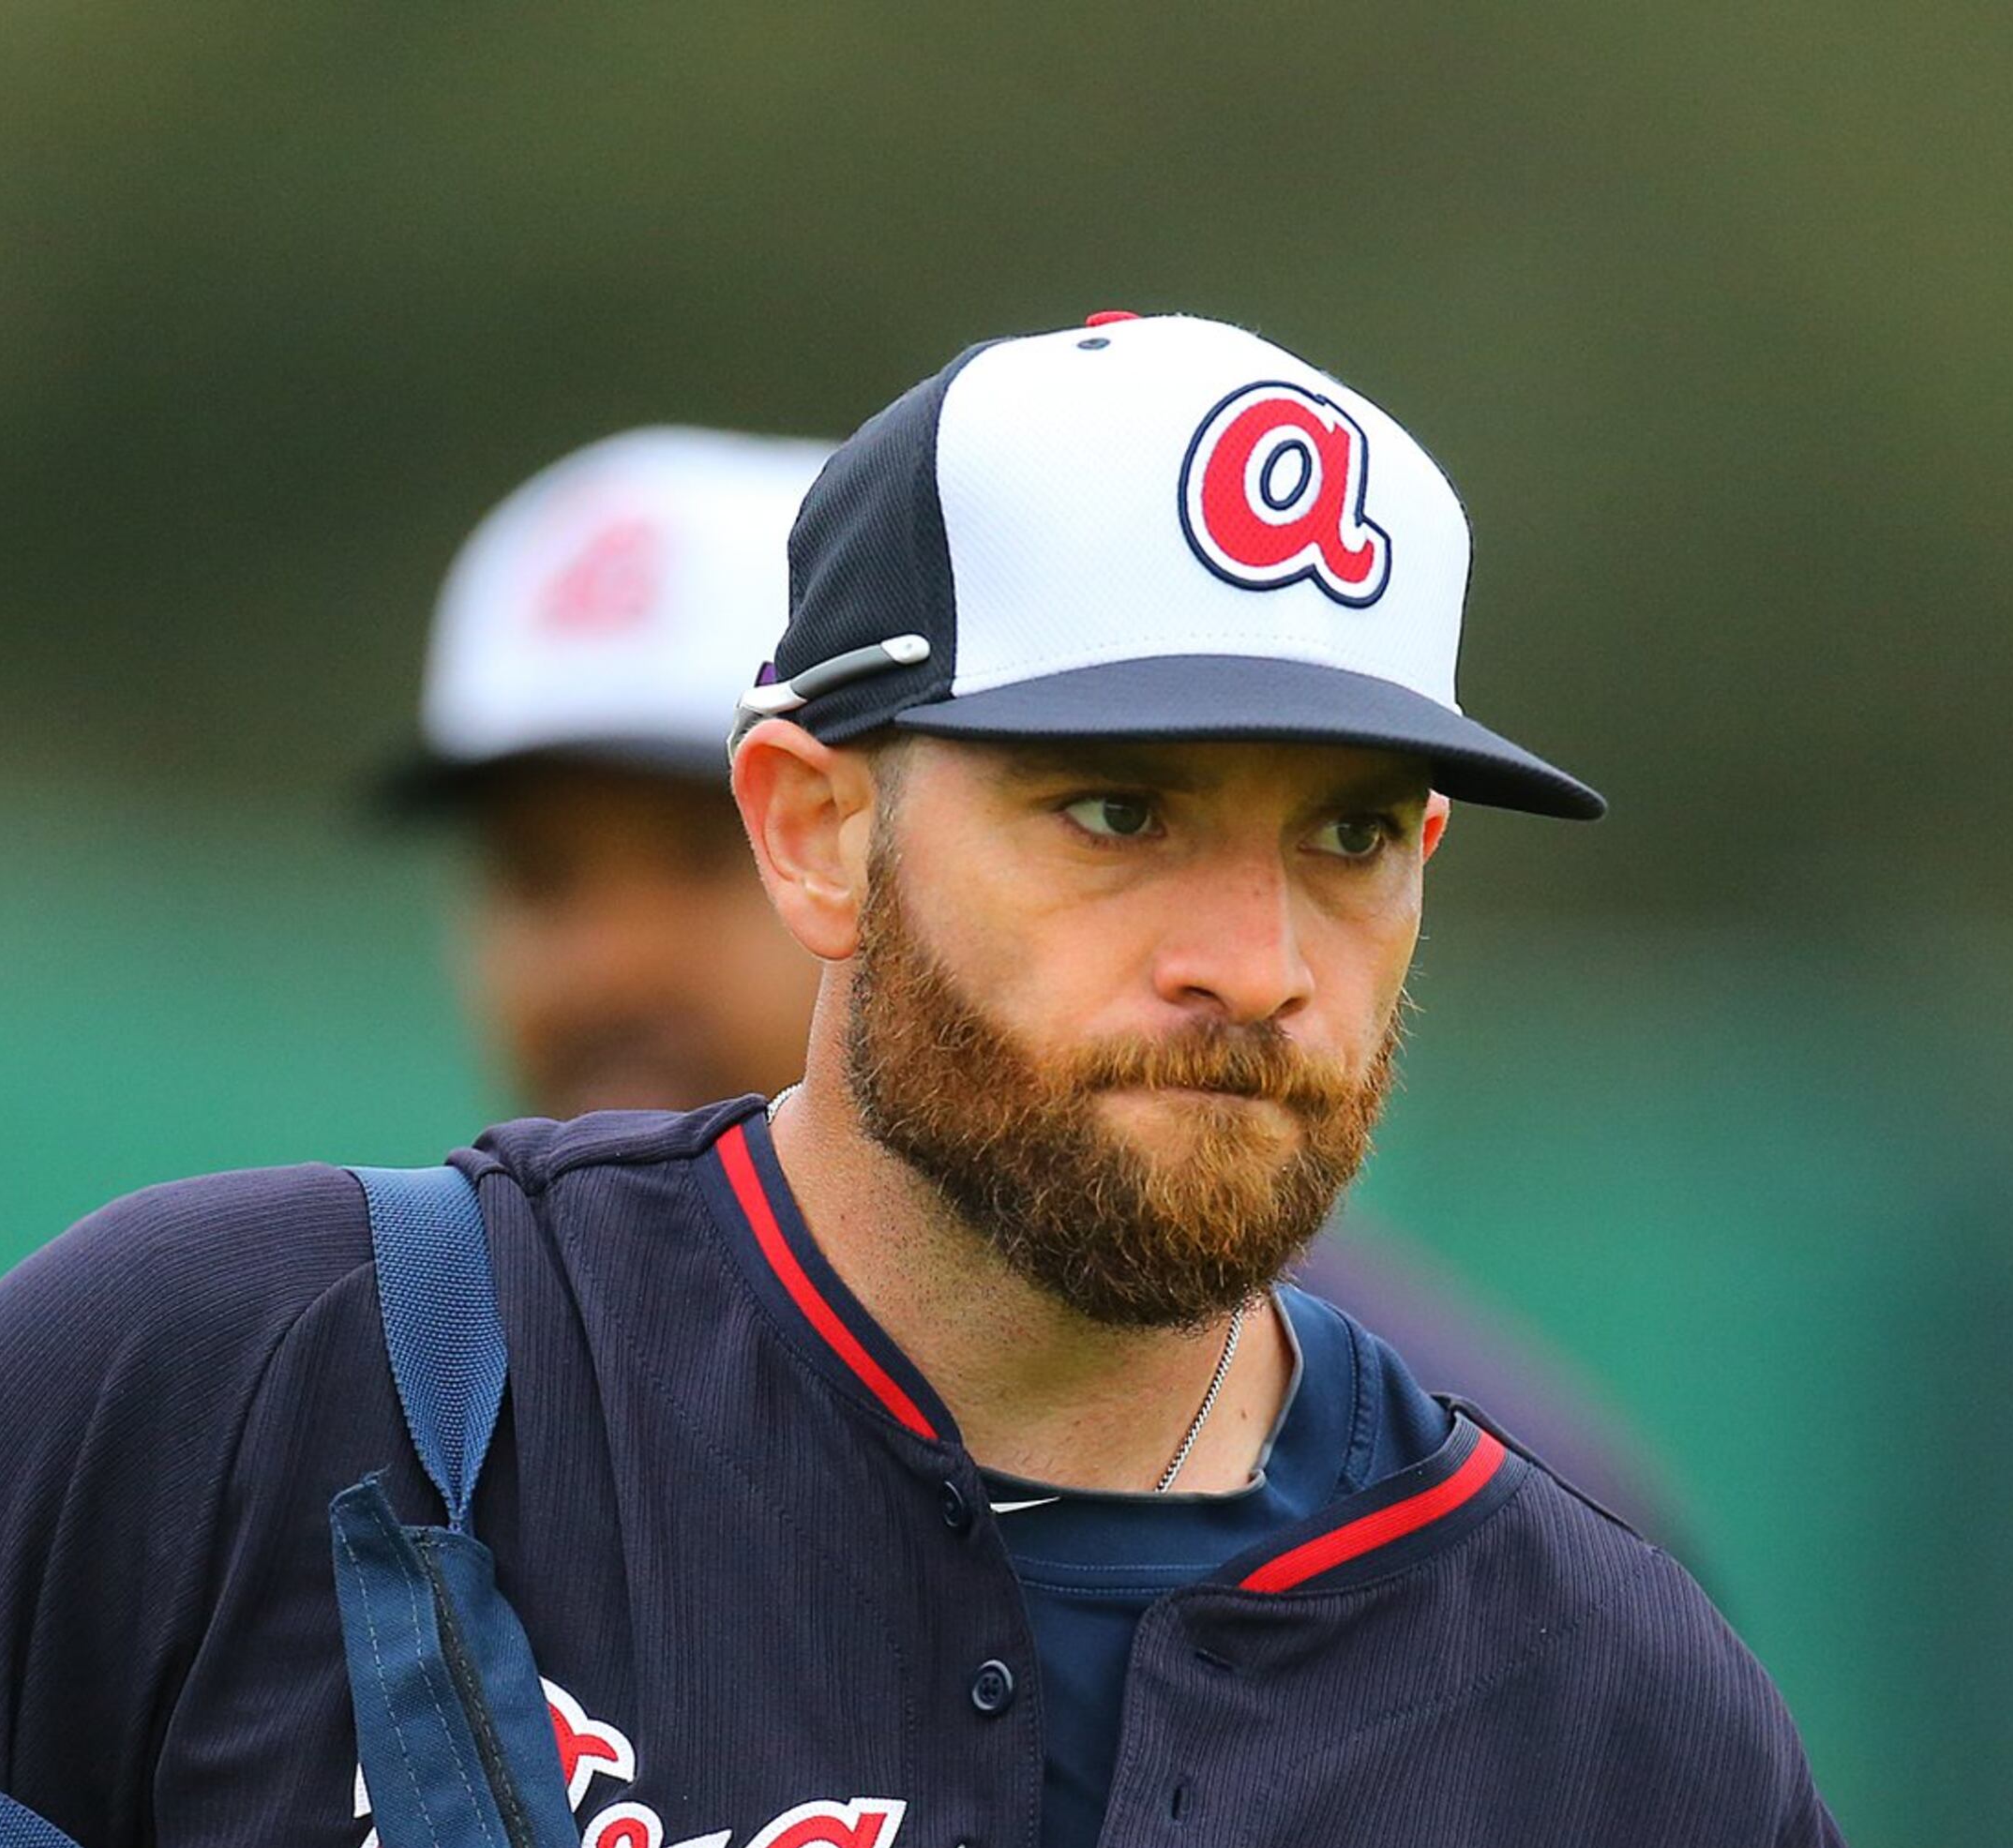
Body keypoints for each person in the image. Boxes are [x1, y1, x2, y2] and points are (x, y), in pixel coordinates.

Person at [0, 313, 1891, 1848]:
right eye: (1117, 811)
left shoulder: (1629, 1722)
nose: (1252, 956)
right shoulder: (237, 1380)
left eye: (1348, 833)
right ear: (819, 831)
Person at [388, 423, 1679, 1541]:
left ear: (833, 837)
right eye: (541, 876)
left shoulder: (1475, 1504)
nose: (616, 963)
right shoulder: (384, 1382)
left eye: (697, 857)